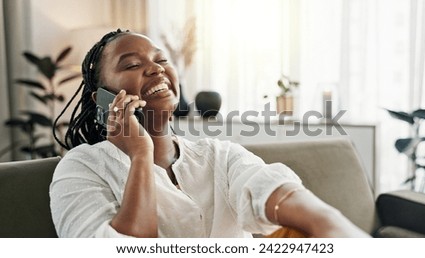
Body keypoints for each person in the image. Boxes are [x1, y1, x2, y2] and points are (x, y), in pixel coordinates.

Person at [50, 29, 370, 238]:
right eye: (132, 65)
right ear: (103, 97)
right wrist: (140, 155)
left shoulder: (219, 154)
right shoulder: (80, 167)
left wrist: (331, 225)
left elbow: (272, 189)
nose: (156, 68)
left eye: (161, 60)